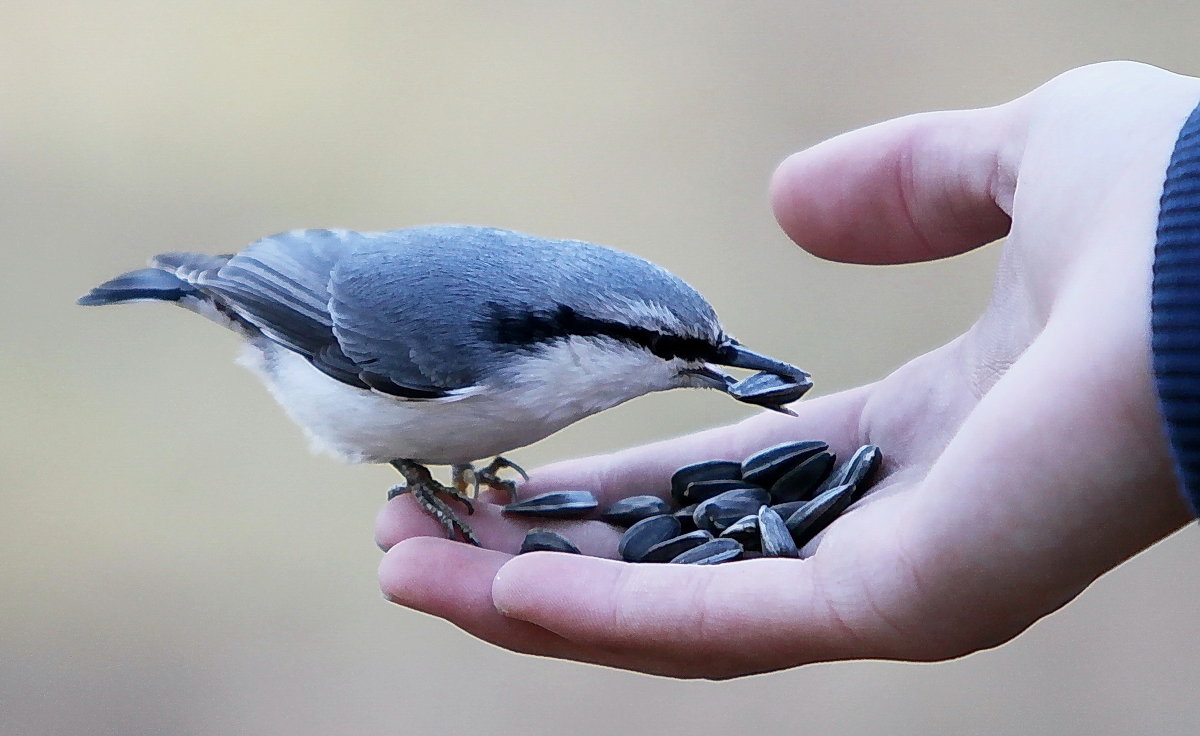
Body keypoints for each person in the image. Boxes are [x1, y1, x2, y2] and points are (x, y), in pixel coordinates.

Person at [375, 61, 1200, 679]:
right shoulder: (463, 343)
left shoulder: (536, 353)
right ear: (579, 334)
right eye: (672, 351)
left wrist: (1162, 268)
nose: (719, 371)